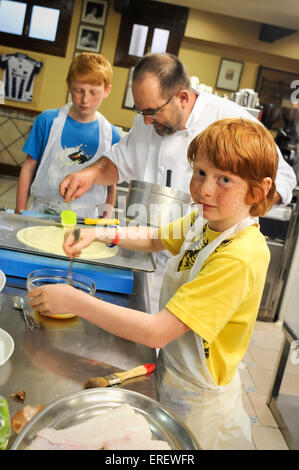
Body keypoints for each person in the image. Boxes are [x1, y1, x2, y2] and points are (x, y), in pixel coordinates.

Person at [28, 117, 277, 449]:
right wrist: (101, 232)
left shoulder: (241, 255)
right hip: (174, 372)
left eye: (224, 180)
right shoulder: (208, 219)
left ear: (257, 190)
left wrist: (73, 301)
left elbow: (157, 331)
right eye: (200, 172)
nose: (204, 188)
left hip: (201, 400)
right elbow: (157, 238)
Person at [58, 53, 296, 310]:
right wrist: (88, 174)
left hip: (203, 259)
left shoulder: (230, 121)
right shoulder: (146, 123)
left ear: (182, 97)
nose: (146, 120)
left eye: (152, 111)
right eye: (141, 111)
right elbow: (118, 162)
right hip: (147, 244)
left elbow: (282, 177)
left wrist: (236, 212)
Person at [16, 52, 120, 218]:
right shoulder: (47, 121)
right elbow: (29, 167)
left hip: (85, 220)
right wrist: (19, 213)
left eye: (93, 92)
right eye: (79, 90)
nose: (85, 99)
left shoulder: (111, 135)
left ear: (107, 90)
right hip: (42, 213)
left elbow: (110, 184)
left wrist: (104, 222)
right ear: (69, 86)